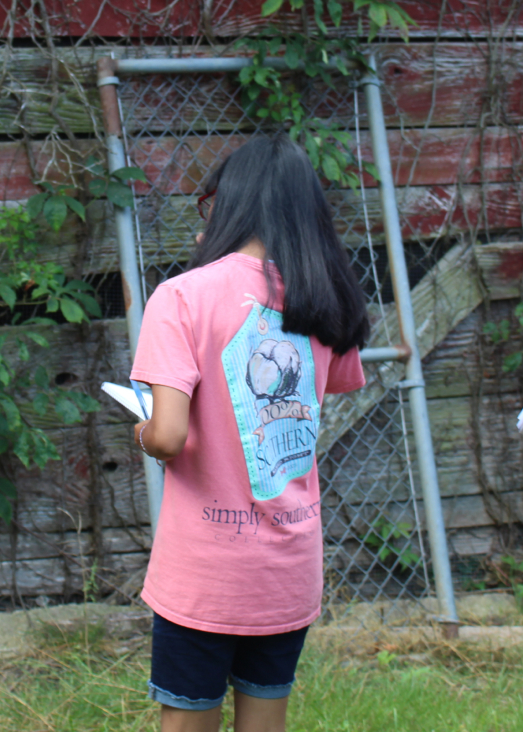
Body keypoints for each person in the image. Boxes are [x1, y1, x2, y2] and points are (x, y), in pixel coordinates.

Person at [130, 134, 370, 732]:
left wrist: (140, 431)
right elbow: (328, 387)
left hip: (206, 571)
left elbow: (167, 436)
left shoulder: (181, 296)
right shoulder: (324, 297)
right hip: (288, 563)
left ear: (226, 204)